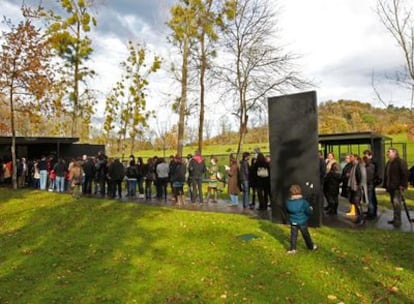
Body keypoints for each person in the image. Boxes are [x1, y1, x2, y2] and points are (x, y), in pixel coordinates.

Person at [285, 184, 317, 254]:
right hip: (302, 221)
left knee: (293, 235)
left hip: (293, 221)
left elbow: (287, 210)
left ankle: (293, 249)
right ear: (300, 191)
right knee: (306, 235)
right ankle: (311, 247)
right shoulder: (303, 202)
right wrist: (311, 210)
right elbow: (308, 211)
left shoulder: (288, 202)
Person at [383, 147, 409, 227]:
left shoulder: (400, 162)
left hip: (397, 187)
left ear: (395, 153)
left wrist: (403, 185)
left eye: (389, 152)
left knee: (397, 204)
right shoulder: (389, 162)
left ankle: (397, 221)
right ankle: (395, 219)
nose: (387, 153)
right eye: (387, 152)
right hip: (391, 187)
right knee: (394, 204)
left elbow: (405, 174)